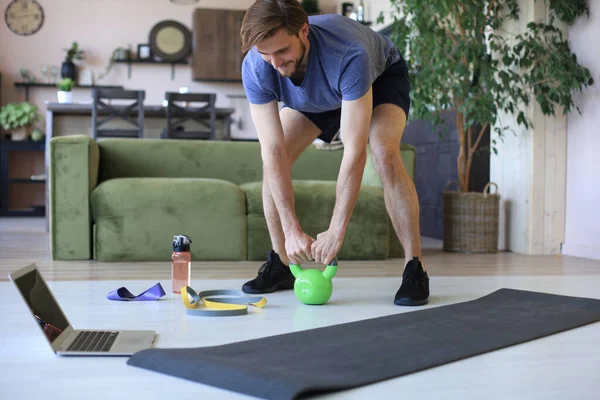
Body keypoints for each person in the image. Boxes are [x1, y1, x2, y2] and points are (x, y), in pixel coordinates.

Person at [239, 0, 429, 306]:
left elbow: (354, 151)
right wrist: (291, 231)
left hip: (378, 80)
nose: (275, 63)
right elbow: (271, 152)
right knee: (276, 158)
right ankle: (281, 263)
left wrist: (336, 230)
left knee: (383, 151)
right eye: (266, 54)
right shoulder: (256, 66)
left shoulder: (348, 52)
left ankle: (414, 267)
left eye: (283, 51)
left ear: (304, 32)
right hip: (318, 94)